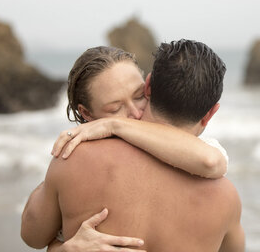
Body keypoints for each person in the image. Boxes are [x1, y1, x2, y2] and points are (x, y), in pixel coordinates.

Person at [21, 40, 244, 251]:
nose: (135, 114)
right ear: (211, 113)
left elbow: (34, 236)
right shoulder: (226, 197)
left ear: (147, 87)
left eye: (137, 96)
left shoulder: (72, 161)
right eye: (114, 108)